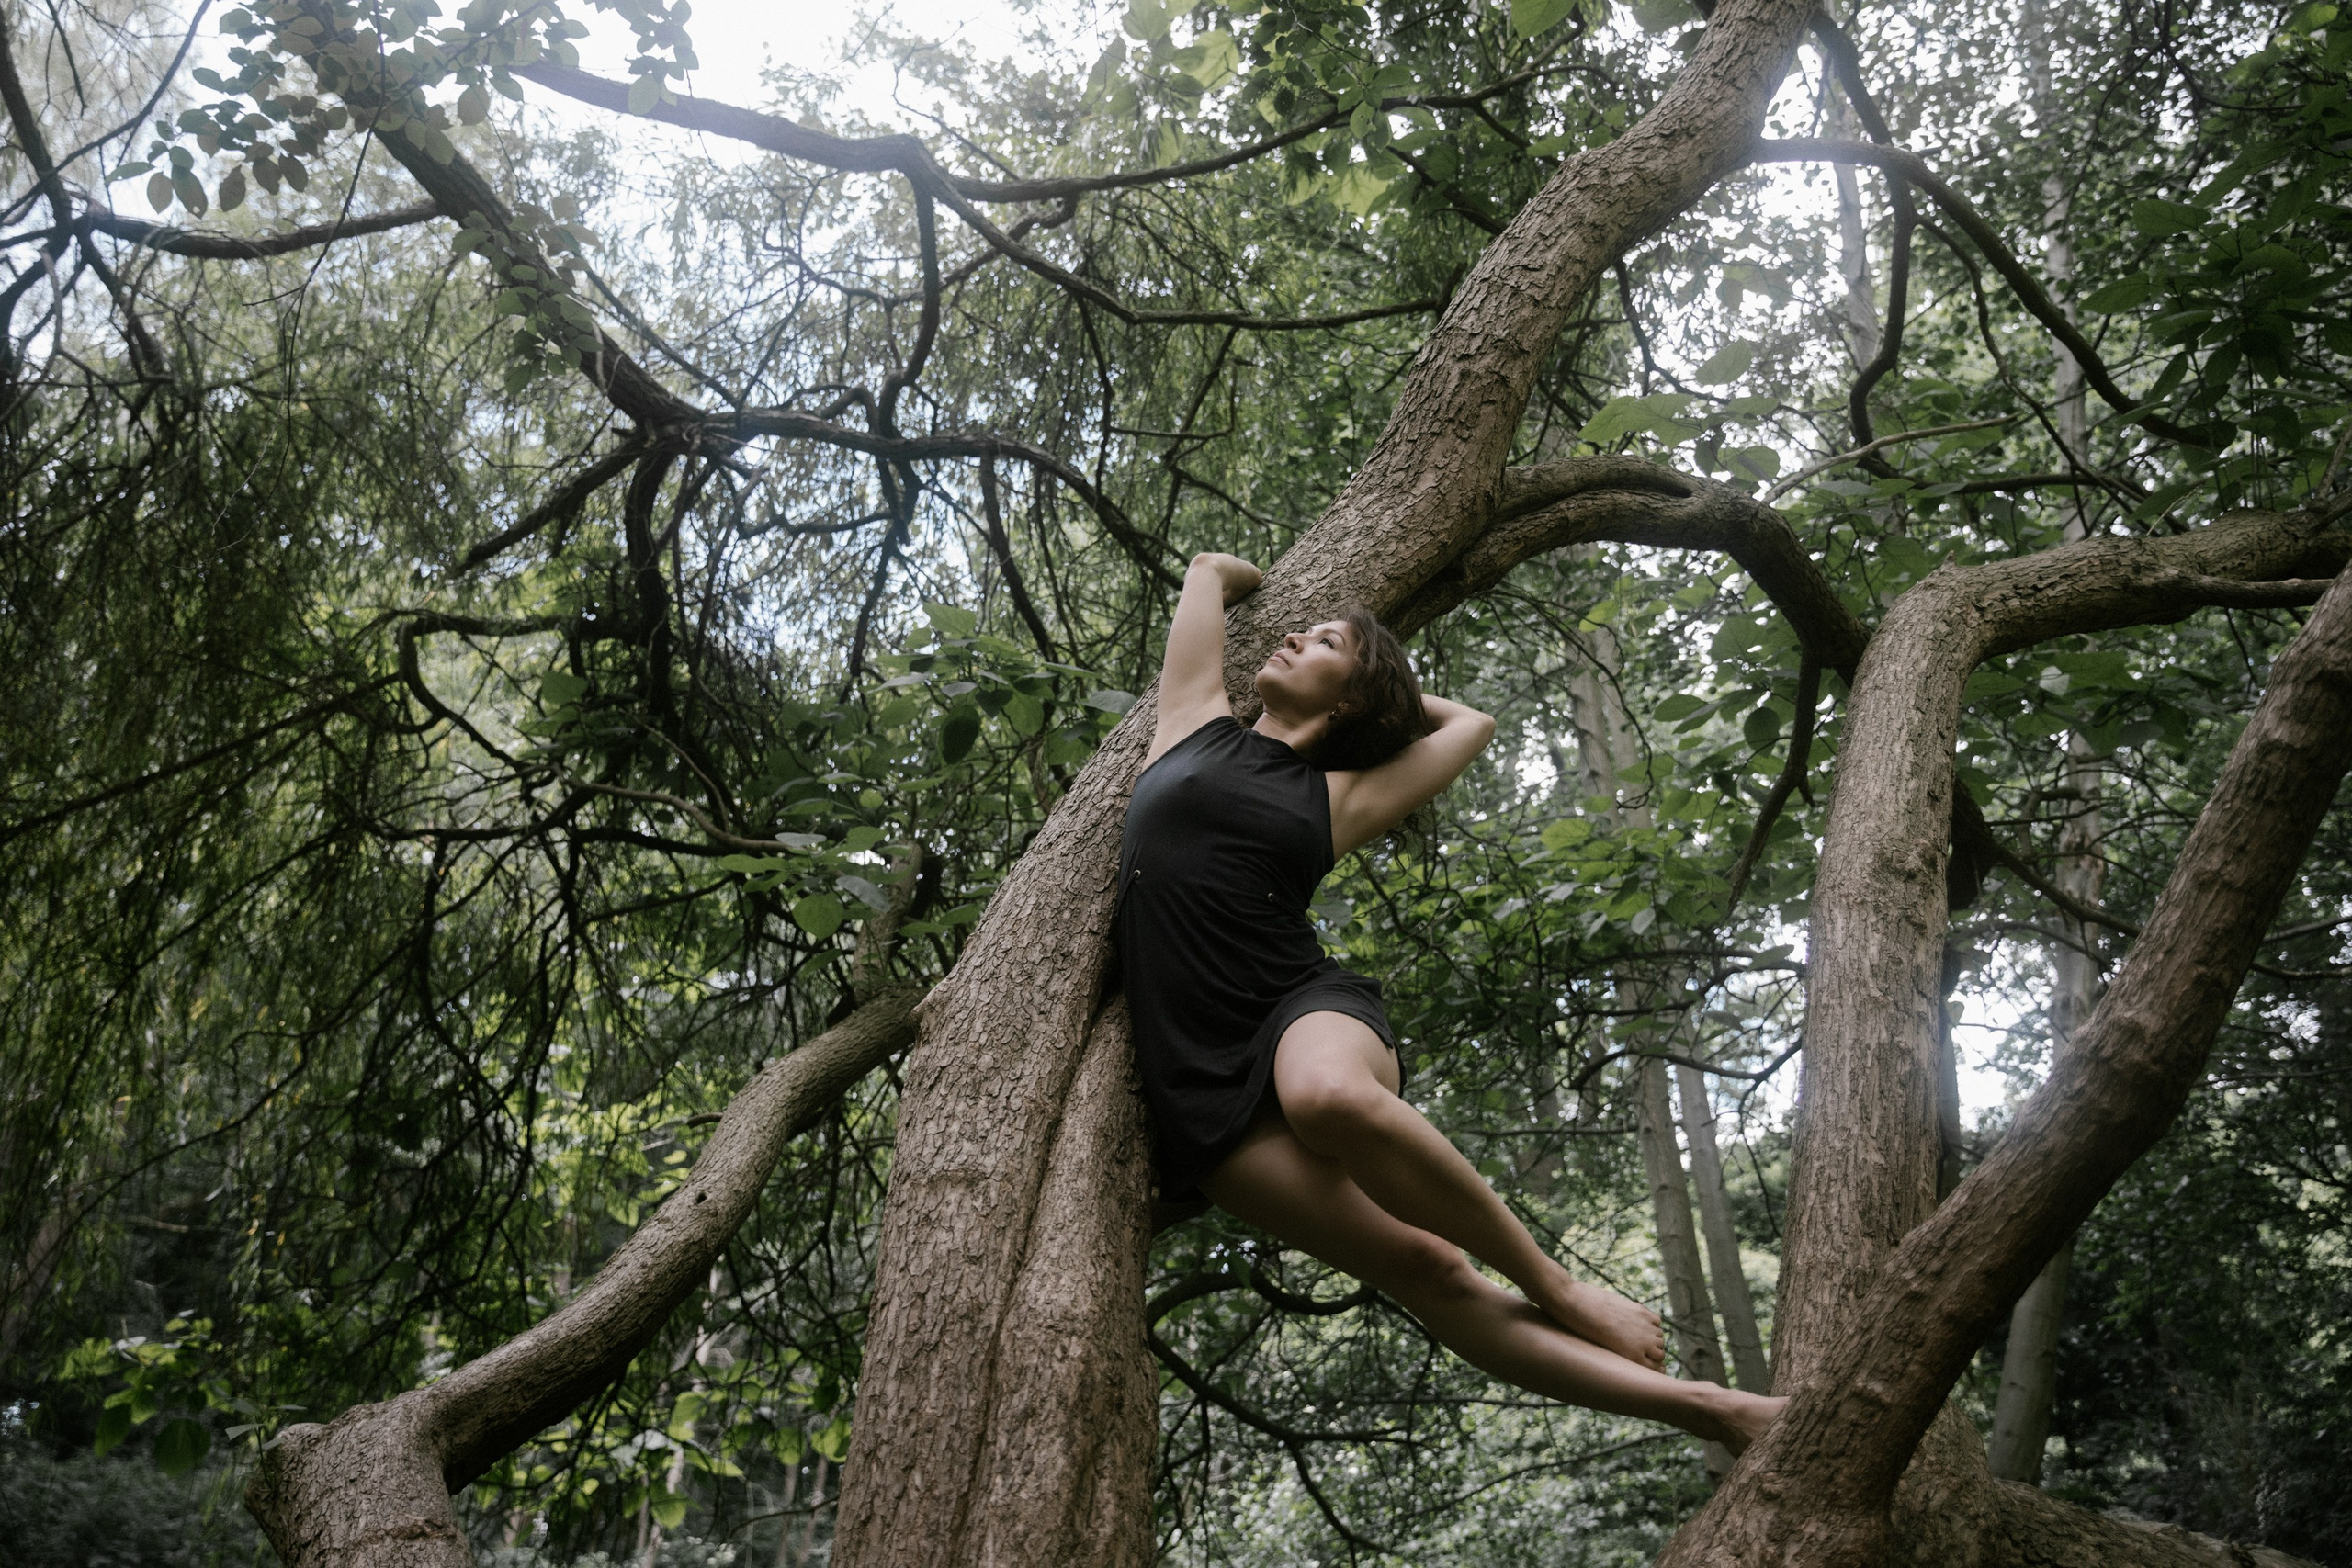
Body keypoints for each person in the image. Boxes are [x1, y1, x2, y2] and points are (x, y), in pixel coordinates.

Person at [1118, 551, 1787, 1455]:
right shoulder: (1190, 725)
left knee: (1330, 1099)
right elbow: (1209, 572)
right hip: (1194, 1073)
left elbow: (1470, 721)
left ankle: (1559, 1288)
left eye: (1320, 644)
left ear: (1352, 701)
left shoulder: (1340, 796)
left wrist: (1374, 681)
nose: (1289, 636)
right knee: (1428, 1267)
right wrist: (1296, 618)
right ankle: (1715, 1412)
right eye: (1300, 631)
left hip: (1298, 1004)